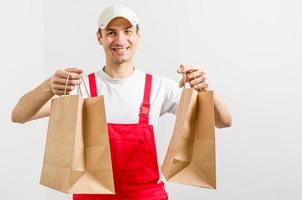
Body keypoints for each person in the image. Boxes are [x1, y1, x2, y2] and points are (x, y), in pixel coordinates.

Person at [11, 4, 232, 200]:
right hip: (92, 195)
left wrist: (206, 88)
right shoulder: (81, 87)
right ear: (99, 37)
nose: (120, 40)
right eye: (111, 33)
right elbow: (19, 115)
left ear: (138, 35)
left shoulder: (158, 87)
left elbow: (223, 121)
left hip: (146, 195)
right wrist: (49, 85)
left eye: (127, 31)